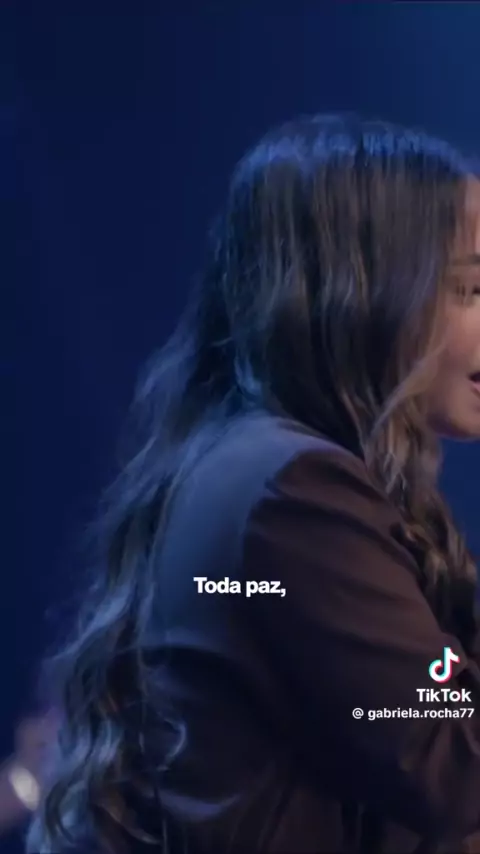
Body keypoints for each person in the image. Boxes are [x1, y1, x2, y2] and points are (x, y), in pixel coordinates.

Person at [25, 113, 480, 854]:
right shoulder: (293, 494)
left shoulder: (260, 467)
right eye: (470, 288)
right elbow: (450, 757)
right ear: (362, 289)